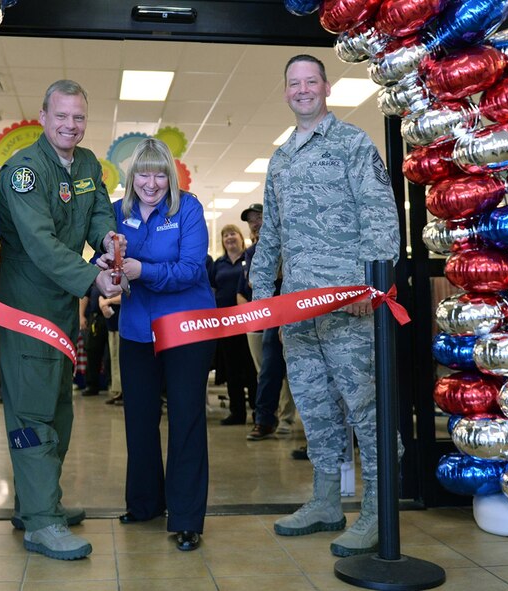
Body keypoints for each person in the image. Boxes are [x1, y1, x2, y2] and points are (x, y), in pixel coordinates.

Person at [250, 54, 400, 557]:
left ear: (327, 87)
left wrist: (368, 287)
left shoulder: (353, 144)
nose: (302, 90)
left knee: (366, 412)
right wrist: (259, 298)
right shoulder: (281, 157)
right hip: (296, 313)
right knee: (315, 411)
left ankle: (378, 513)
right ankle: (325, 503)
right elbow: (269, 234)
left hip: (347, 310)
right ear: (286, 91)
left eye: (310, 81)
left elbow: (381, 220)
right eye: (293, 83)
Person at [0, 79, 124, 561]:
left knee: (59, 411)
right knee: (33, 413)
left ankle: (35, 502)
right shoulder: (24, 171)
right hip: (28, 308)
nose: (71, 125)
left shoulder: (88, 164)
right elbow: (41, 243)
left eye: (79, 118)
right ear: (44, 116)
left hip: (63, 309)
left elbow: (98, 215)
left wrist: (110, 246)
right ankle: (42, 522)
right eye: (62, 116)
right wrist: (93, 280)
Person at [105, 138, 215, 552]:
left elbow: (190, 269)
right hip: (136, 328)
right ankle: (145, 503)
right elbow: (110, 257)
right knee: (139, 417)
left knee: (186, 419)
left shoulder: (187, 208)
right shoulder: (118, 213)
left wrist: (141, 269)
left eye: (159, 174)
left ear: (170, 176)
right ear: (132, 178)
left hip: (185, 329)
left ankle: (186, 518)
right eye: (143, 175)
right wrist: (109, 268)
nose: (151, 184)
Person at [236, 203, 295, 440]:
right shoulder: (252, 252)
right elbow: (254, 282)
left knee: (301, 368)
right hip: (273, 313)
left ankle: (286, 420)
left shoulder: (285, 239)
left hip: (297, 306)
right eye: (251, 221)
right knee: (270, 368)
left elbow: (283, 274)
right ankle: (265, 419)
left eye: (259, 217)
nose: (255, 223)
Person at [209, 224, 257, 425]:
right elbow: (211, 289)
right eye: (225, 235)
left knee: (251, 368)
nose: (229, 238)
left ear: (241, 237)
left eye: (233, 234)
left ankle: (256, 412)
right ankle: (236, 412)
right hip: (225, 323)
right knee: (231, 369)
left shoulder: (250, 259)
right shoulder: (218, 263)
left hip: (247, 321)